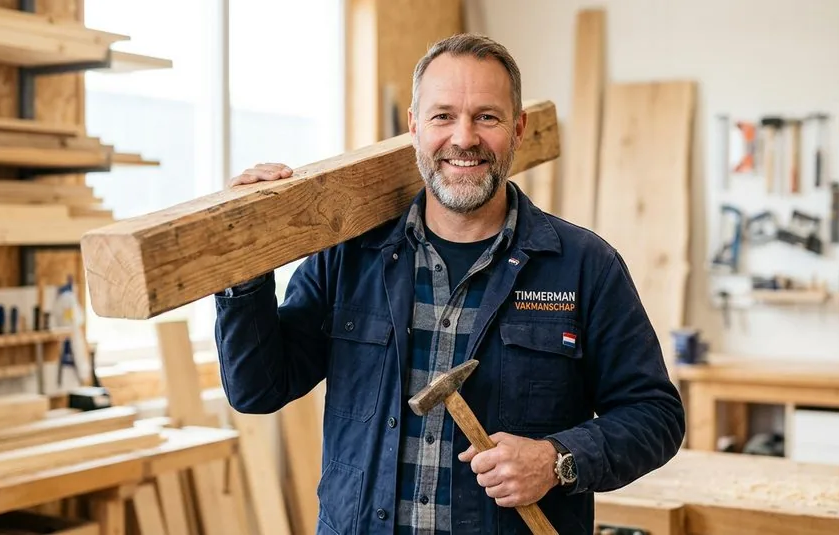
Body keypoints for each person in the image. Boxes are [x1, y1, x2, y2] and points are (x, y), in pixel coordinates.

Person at [215, 33, 685, 535]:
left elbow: (654, 415)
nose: (464, 138)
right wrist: (246, 257)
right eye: (443, 116)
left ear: (519, 129)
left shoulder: (583, 266)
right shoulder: (350, 256)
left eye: (487, 116)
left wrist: (556, 460)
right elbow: (257, 390)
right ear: (415, 127)